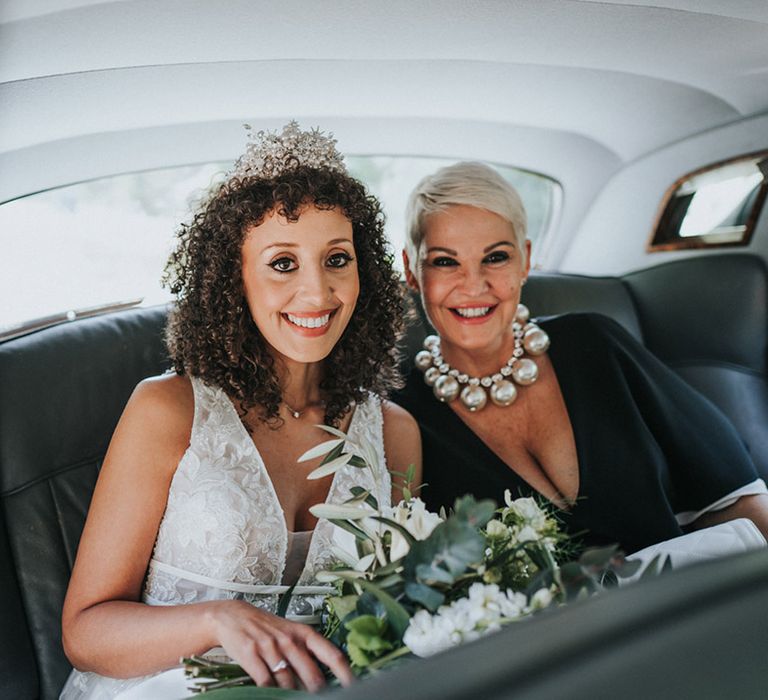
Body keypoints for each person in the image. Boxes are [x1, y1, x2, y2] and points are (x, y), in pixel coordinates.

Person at [60, 122, 421, 698]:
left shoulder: (396, 435)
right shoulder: (167, 410)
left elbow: (392, 612)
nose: (318, 292)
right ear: (235, 278)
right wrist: (213, 621)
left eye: (337, 259)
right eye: (283, 263)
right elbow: (85, 632)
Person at [392, 161, 768, 556]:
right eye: (445, 261)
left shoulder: (596, 343)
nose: (474, 285)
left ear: (525, 260)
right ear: (412, 271)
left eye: (496, 257)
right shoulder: (399, 418)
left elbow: (738, 498)